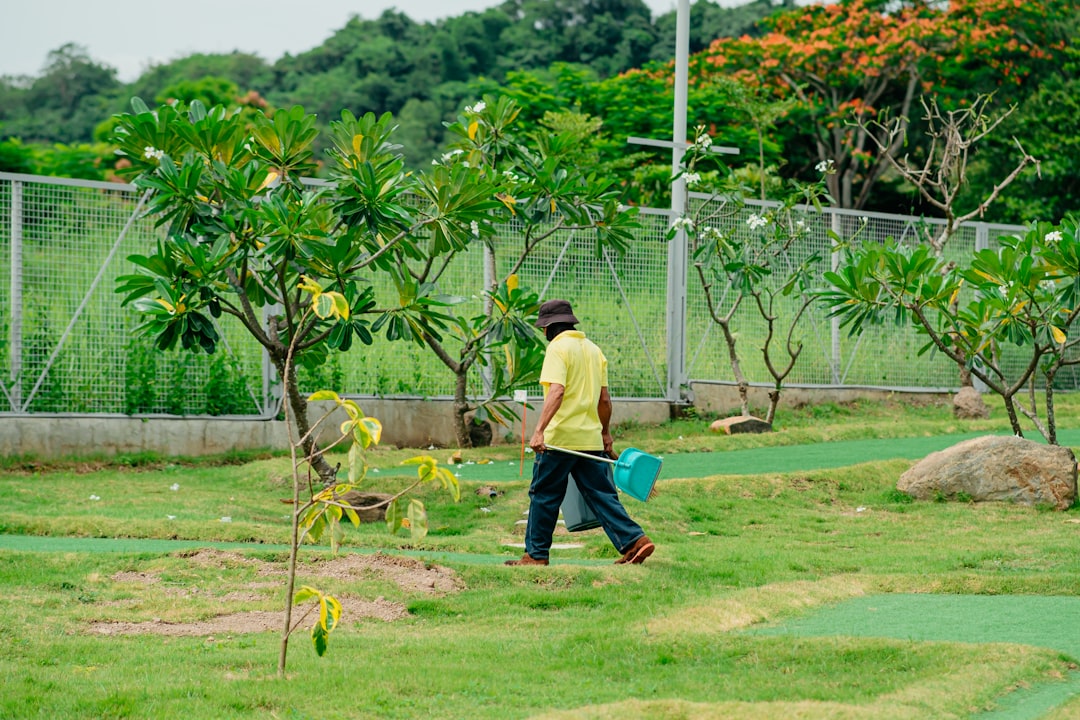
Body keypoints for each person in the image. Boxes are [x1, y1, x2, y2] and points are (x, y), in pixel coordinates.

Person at [506, 299, 654, 566]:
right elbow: (605, 400)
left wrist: (539, 430)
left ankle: (536, 555)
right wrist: (606, 435)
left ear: (549, 327)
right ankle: (635, 541)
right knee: (602, 495)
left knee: (544, 495)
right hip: (590, 439)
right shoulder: (594, 351)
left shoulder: (557, 349)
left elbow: (557, 391)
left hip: (560, 440)